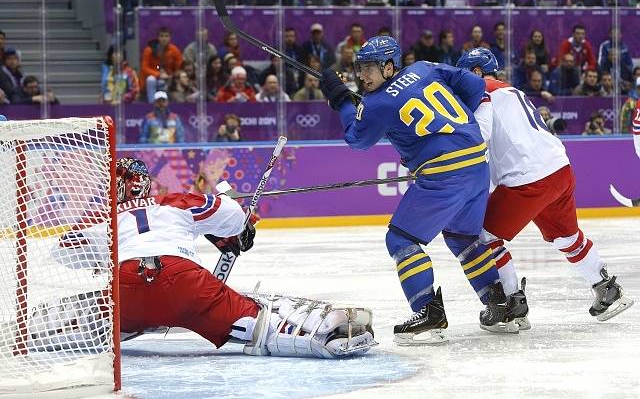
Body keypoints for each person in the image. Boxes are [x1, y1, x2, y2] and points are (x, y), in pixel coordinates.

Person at [44, 158, 375, 359]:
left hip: (126, 289)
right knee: (254, 316)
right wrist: (231, 210)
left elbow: (64, 253)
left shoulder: (104, 219)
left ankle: (46, 329)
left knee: (106, 307)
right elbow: (231, 216)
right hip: (183, 282)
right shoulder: (172, 200)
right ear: (144, 184)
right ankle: (326, 334)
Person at [319, 36, 508, 345]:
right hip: (476, 162)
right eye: (359, 69)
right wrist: (453, 127)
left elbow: (357, 139)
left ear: (390, 66)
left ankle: (428, 312)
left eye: (370, 69)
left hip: (444, 171)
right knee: (463, 237)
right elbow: (475, 88)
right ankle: (499, 304)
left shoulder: (377, 103)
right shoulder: (424, 68)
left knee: (400, 238)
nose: (363, 76)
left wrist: (340, 101)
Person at [456, 48, 633, 331]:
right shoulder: (515, 92)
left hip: (527, 179)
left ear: (476, 72)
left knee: (482, 237)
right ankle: (607, 289)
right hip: (560, 169)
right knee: (568, 238)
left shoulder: (478, 93)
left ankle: (511, 305)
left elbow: (481, 142)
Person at [140, 27, 183, 103]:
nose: (164, 39)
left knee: (164, 84)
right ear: (158, 37)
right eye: (162, 36)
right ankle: (153, 105)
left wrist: (171, 76)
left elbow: (179, 66)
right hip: (153, 79)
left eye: (166, 36)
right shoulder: (149, 50)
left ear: (170, 38)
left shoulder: (174, 50)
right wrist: (158, 75)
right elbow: (144, 67)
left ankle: (166, 106)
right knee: (151, 80)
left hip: (167, 79)